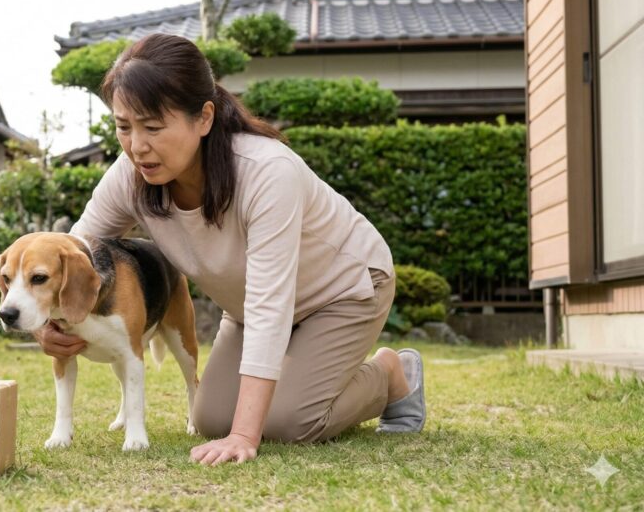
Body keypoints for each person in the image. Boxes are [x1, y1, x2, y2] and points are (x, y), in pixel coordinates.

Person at [34, 33, 426, 465]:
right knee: (212, 418)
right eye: (123, 126)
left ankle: (391, 374)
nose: (137, 145)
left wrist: (244, 435)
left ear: (204, 118)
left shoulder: (266, 171)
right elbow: (70, 253)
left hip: (343, 289)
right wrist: (44, 323)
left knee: (287, 423)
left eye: (153, 126)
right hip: (247, 306)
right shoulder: (130, 176)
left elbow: (270, 306)